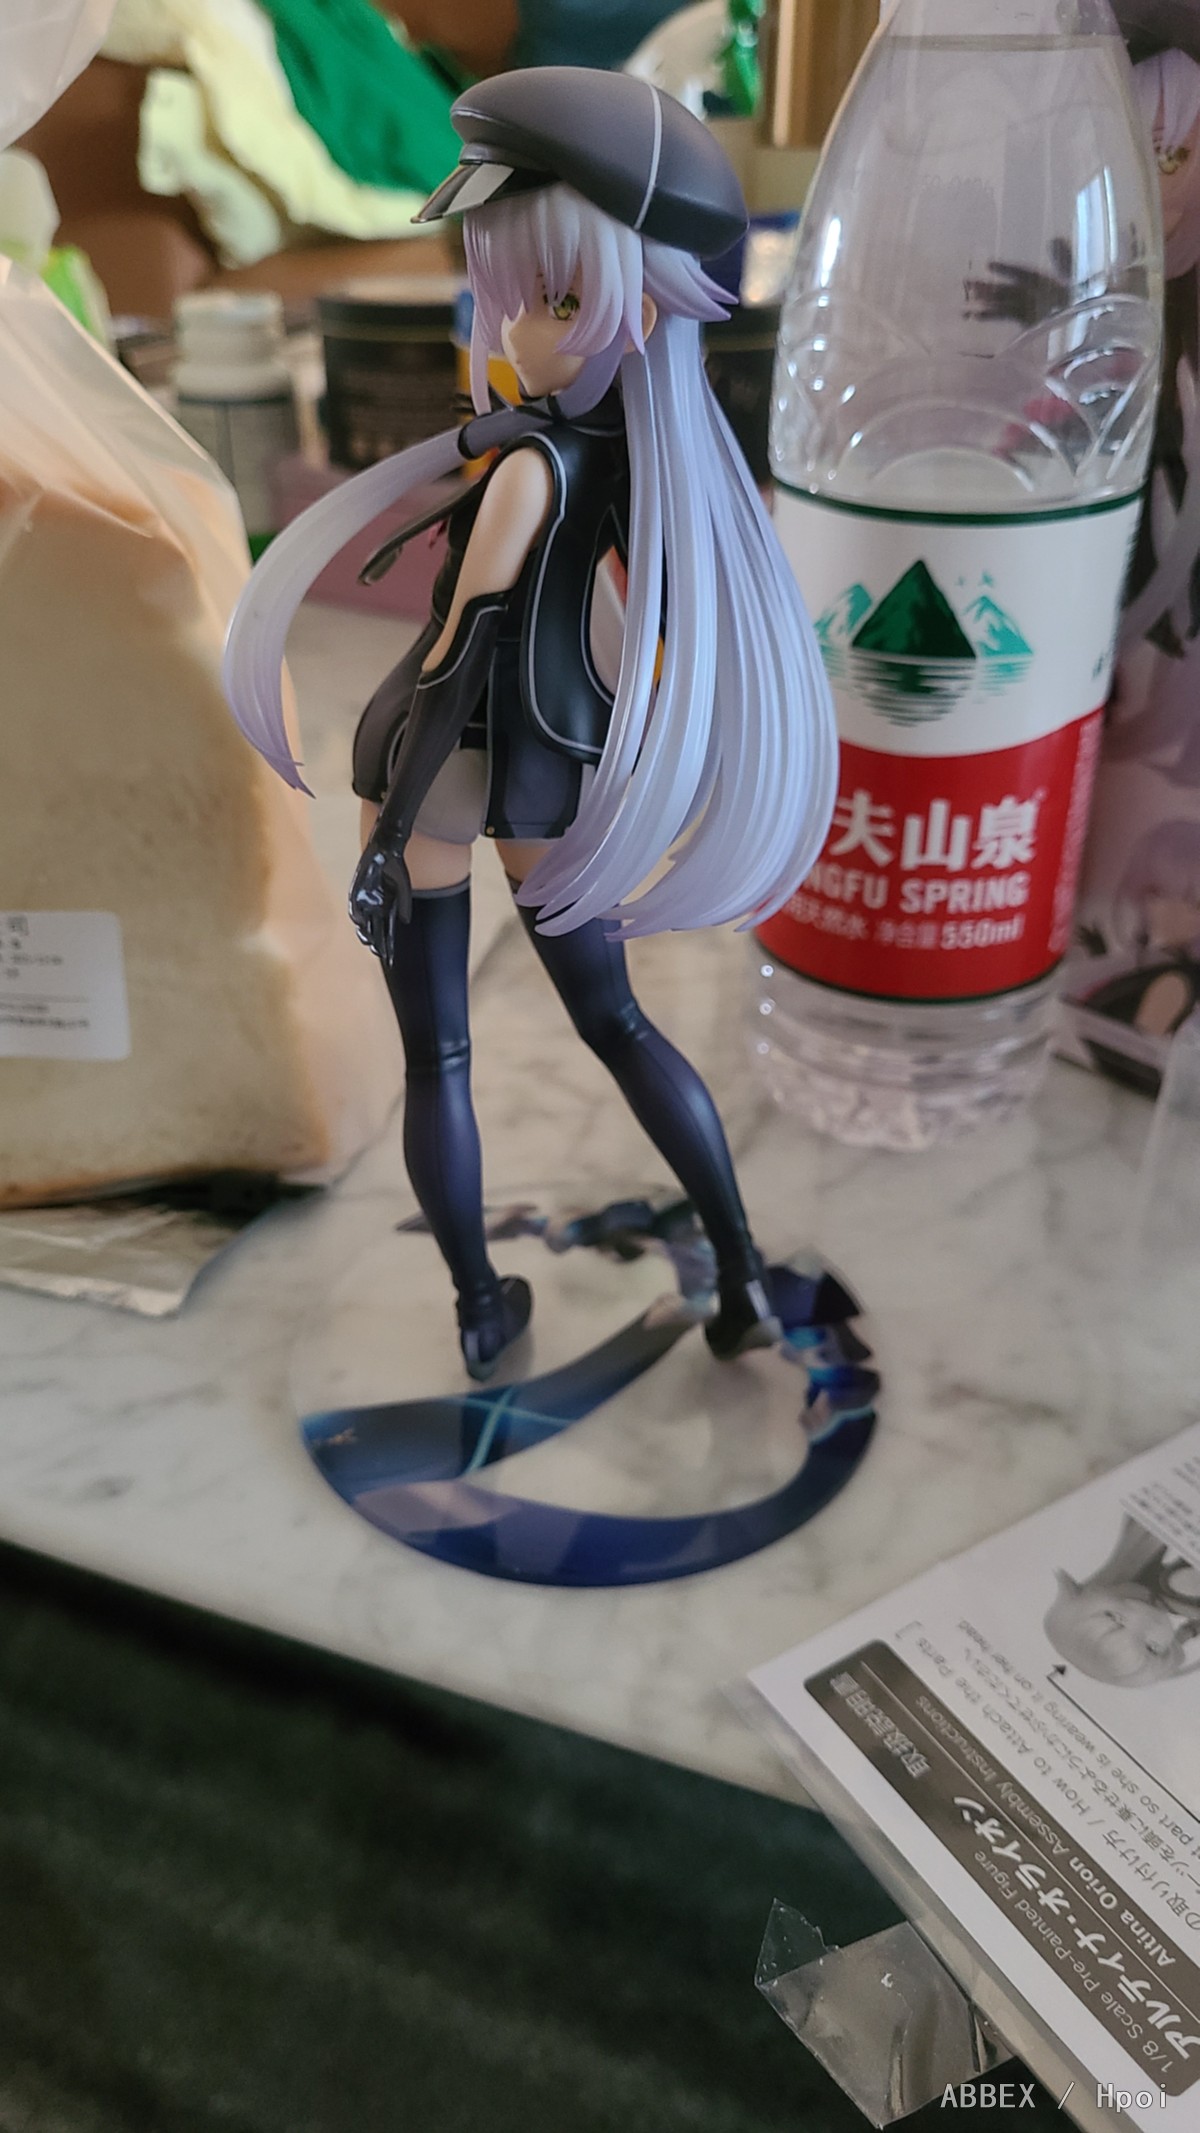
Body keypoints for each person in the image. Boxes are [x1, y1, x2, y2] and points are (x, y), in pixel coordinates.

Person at [224, 67, 836, 1379]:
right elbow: (615, 624)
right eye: (508, 294)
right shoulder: (634, 451)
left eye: (556, 299)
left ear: (639, 305)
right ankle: (737, 1267)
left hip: (446, 777)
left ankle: (478, 1305)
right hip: (552, 774)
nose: (517, 329)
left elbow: (456, 654)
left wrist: (392, 836)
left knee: (440, 1056)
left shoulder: (529, 466)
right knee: (618, 1024)